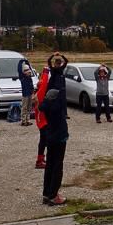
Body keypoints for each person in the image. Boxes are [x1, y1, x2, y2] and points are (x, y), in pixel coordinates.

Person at [40, 56, 70, 205]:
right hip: (59, 136)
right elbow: (60, 99)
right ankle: (53, 195)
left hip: (50, 135)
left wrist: (53, 57)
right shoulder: (57, 107)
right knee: (58, 165)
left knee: (50, 164)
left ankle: (47, 193)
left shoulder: (46, 105)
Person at [34, 67, 50, 169]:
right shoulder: (40, 94)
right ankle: (39, 161)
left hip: (41, 120)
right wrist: (46, 72)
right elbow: (44, 84)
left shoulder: (37, 93)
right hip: (42, 121)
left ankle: (41, 158)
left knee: (43, 140)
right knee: (44, 140)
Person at [17, 59, 34, 127]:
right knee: (24, 107)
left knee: (29, 107)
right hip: (25, 95)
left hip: (30, 94)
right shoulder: (22, 77)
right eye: (28, 72)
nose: (29, 73)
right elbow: (19, 69)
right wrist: (21, 61)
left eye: (29, 72)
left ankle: (28, 120)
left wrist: (27, 62)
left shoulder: (29, 77)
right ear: (24, 72)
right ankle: (23, 121)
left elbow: (29, 68)